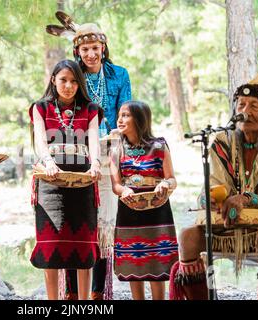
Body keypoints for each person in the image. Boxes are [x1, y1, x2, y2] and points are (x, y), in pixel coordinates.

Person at [169, 63, 258, 300]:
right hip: (229, 221)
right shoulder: (223, 141)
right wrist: (210, 198)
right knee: (187, 237)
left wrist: (245, 199)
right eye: (242, 105)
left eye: (255, 106)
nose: (246, 111)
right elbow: (213, 186)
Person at [46, 10, 132, 300]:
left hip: (110, 150)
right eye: (85, 49)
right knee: (76, 219)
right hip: (76, 152)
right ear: (77, 51)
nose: (92, 54)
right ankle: (71, 292)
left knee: (104, 225)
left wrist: (120, 129)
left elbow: (126, 111)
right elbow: (61, 109)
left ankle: (97, 292)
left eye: (96, 48)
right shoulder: (72, 76)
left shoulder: (119, 75)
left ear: (104, 48)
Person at [29, 59, 102, 300]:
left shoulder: (91, 109)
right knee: (51, 248)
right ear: (53, 81)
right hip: (50, 183)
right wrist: (49, 162)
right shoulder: (40, 108)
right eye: (63, 80)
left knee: (83, 248)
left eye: (73, 81)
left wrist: (96, 164)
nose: (68, 86)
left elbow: (93, 140)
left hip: (83, 183)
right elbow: (40, 140)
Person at [109, 101, 178, 299]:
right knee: (134, 263)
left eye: (126, 115)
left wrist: (165, 184)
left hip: (157, 209)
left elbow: (172, 178)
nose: (120, 119)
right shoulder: (116, 149)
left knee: (157, 261)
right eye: (120, 115)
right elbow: (116, 185)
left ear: (140, 120)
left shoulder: (159, 146)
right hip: (129, 211)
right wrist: (124, 191)